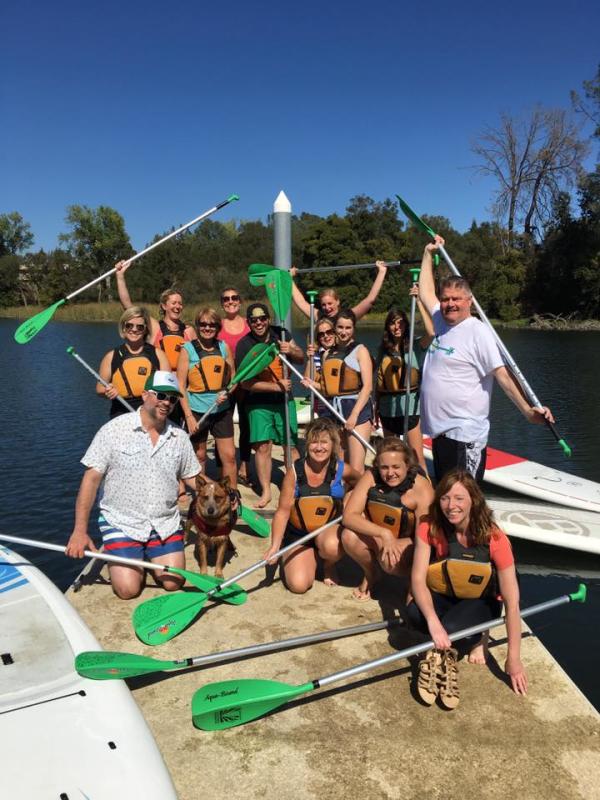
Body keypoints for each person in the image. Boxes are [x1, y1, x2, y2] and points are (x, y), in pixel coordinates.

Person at [418, 236, 554, 482]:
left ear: (469, 301)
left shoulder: (476, 331)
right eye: (446, 298)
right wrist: (428, 253)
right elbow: (426, 291)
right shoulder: (440, 319)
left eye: (456, 299)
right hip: (442, 435)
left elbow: (501, 374)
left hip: (464, 435)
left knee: (462, 500)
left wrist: (527, 411)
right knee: (448, 499)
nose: (449, 304)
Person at [65, 371, 201, 599]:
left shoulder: (179, 436)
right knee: (128, 590)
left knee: (173, 583)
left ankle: (146, 555)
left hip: (164, 522)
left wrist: (219, 491)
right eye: (160, 395)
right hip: (122, 522)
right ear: (145, 394)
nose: (166, 402)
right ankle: (129, 555)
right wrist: (79, 530)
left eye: (172, 398)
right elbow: (91, 480)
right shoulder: (113, 430)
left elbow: (191, 476)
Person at [408, 469, 527, 709]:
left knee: (452, 629)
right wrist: (432, 621)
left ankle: (476, 639)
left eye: (459, 498)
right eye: (445, 498)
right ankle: (442, 651)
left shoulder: (495, 538)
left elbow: (513, 604)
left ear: (473, 500)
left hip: (480, 600)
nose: (451, 505)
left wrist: (513, 658)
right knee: (413, 614)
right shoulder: (429, 526)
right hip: (444, 594)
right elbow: (418, 579)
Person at [265, 418, 361, 593]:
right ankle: (306, 555)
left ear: (333, 445)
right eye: (314, 442)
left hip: (327, 530)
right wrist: (275, 546)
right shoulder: (294, 473)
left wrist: (349, 501)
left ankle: (329, 565)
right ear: (307, 445)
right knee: (298, 585)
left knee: (332, 546)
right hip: (298, 533)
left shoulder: (342, 469)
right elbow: (282, 512)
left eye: (324, 442)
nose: (319, 447)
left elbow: (361, 484)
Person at [342, 437, 433, 600]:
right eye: (384, 467)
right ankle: (371, 574)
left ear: (408, 465)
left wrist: (415, 587)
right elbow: (348, 516)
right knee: (348, 536)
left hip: (411, 541)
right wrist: (384, 534)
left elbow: (425, 539)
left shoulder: (421, 488)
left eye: (396, 467)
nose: (390, 473)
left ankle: (412, 583)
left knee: (390, 561)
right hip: (384, 535)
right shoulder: (371, 476)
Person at [236, 303, 305, 508]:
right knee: (263, 447)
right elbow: (245, 383)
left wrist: (291, 349)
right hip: (258, 403)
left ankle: (295, 485)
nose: (259, 323)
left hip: (284, 401)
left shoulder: (282, 333)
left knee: (290, 445)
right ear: (249, 323)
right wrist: (276, 387)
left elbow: (301, 358)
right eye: (254, 320)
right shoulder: (244, 345)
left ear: (268, 319)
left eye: (262, 319)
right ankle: (266, 491)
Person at [305, 309, 373, 474]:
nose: (344, 332)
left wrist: (354, 415)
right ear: (336, 328)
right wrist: (312, 383)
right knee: (340, 466)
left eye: (348, 328)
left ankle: (358, 498)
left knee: (356, 469)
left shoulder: (360, 350)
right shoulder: (327, 353)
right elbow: (328, 389)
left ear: (353, 329)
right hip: (335, 412)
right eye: (340, 327)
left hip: (357, 411)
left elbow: (368, 386)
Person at [374, 289, 434, 472]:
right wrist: (375, 407)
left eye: (400, 323)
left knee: (416, 459)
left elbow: (431, 332)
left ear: (406, 325)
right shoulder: (383, 350)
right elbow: (378, 381)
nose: (396, 327)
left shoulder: (416, 346)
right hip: (387, 410)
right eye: (392, 323)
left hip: (409, 409)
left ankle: (426, 495)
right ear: (388, 327)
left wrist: (419, 301)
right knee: (391, 458)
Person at [177, 307, 237, 488]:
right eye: (203, 324)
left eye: (212, 325)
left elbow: (233, 379)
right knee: (200, 456)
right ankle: (201, 497)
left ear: (217, 327)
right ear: (197, 326)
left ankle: (231, 496)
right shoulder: (187, 349)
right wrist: (188, 416)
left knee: (229, 456)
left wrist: (226, 392)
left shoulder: (223, 347)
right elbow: (180, 385)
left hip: (221, 410)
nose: (207, 328)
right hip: (196, 410)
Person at [115, 260, 196, 372]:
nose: (177, 306)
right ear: (164, 306)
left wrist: (191, 350)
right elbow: (127, 305)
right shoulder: (155, 327)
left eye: (180, 303)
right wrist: (120, 276)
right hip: (158, 384)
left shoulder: (189, 331)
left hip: (182, 384)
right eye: (173, 303)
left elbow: (199, 360)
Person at [97, 306, 170, 418]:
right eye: (129, 325)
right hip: (121, 414)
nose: (134, 330)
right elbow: (99, 388)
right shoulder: (111, 356)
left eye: (139, 327)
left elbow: (168, 388)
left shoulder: (158, 355)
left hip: (151, 414)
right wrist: (107, 391)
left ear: (145, 329)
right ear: (123, 327)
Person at [217, 287, 251, 486]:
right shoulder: (216, 326)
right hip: (225, 384)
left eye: (234, 298)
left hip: (248, 383)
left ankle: (245, 466)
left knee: (247, 425)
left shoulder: (250, 325)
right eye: (226, 298)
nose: (230, 301)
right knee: (223, 424)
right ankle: (223, 469)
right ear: (222, 303)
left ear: (240, 301)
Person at [290, 261, 388, 321]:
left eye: (330, 303)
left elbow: (369, 300)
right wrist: (289, 279)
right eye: (324, 304)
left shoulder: (348, 316)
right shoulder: (318, 316)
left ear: (337, 302)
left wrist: (382, 272)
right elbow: (300, 302)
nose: (327, 307)